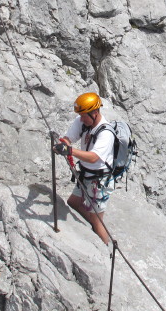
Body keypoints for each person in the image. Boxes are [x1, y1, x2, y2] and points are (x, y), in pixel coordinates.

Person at [53, 92, 115, 244]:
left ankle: (105, 248)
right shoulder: (83, 122)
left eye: (84, 116)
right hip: (86, 175)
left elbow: (94, 157)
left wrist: (69, 151)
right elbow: (69, 138)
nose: (81, 119)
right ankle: (92, 225)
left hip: (99, 181)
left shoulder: (106, 133)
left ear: (94, 113)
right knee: (73, 202)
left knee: (97, 220)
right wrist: (63, 144)